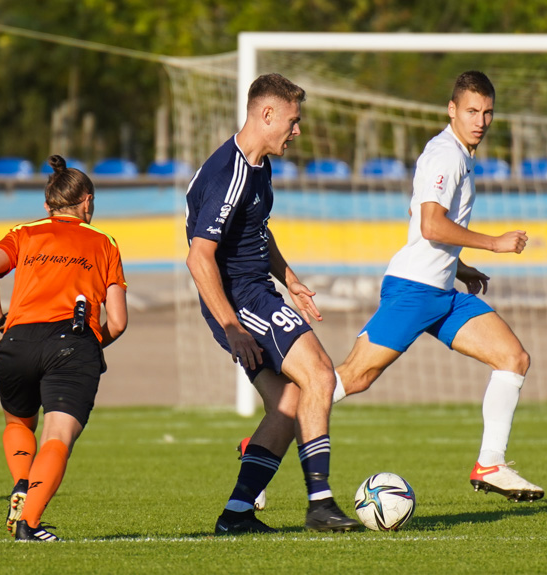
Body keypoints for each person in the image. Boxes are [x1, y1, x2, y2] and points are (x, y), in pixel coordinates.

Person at [334, 70, 544, 502]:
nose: (480, 121)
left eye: (487, 112)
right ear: (452, 110)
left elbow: (427, 227)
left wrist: (460, 267)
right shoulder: (445, 154)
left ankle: (491, 463)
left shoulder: (460, 155)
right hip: (413, 290)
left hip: (441, 291)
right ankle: (264, 443)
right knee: (353, 378)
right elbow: (431, 224)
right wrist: (493, 244)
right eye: (471, 111)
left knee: (512, 358)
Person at [185, 72, 360, 534]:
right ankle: (320, 503)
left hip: (254, 292)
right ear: (267, 114)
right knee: (321, 373)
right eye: (293, 120)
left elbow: (257, 228)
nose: (297, 131)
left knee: (287, 404)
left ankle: (237, 514)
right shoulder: (231, 172)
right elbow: (199, 256)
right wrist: (232, 326)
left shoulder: (257, 166)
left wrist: (289, 278)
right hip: (240, 299)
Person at [0, 155, 128, 541]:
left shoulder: (24, 232)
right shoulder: (104, 242)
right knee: (57, 436)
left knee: (18, 423)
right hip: (71, 344)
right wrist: (94, 344)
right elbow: (119, 321)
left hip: (17, 341)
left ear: (47, 206)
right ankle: (29, 522)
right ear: (87, 202)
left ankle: (22, 482)